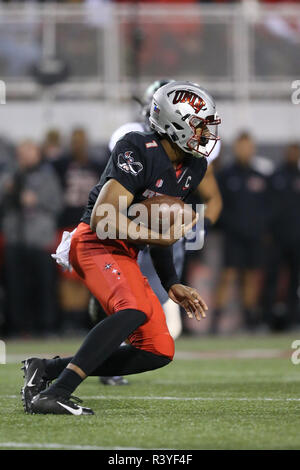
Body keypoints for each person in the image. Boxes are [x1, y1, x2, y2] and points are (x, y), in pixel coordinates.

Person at [21, 81, 221, 415]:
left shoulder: (194, 167)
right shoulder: (138, 146)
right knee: (134, 310)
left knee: (158, 349)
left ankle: (46, 370)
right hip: (93, 242)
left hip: (126, 252)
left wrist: (171, 282)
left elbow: (157, 231)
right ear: (175, 123)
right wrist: (159, 237)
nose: (206, 134)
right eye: (200, 126)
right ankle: (55, 394)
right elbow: (102, 217)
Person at [0, 140, 63, 336]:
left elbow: (57, 203)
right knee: (15, 286)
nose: (25, 156)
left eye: (29, 151)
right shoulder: (9, 175)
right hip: (14, 238)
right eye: (22, 152)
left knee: (44, 285)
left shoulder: (47, 175)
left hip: (40, 239)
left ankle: (46, 326)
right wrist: (8, 190)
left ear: (37, 153)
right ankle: (18, 326)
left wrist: (37, 200)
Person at [210, 132, 270, 333]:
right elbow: (217, 204)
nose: (245, 150)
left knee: (251, 277)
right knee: (228, 275)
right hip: (233, 236)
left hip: (254, 236)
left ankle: (250, 320)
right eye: (241, 146)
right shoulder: (226, 176)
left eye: (248, 146)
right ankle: (215, 322)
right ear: (236, 148)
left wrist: (262, 229)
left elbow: (266, 208)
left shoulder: (260, 176)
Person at [263, 143, 300, 330]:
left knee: (295, 281)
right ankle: (267, 320)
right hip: (277, 238)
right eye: (290, 150)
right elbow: (266, 207)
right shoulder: (275, 176)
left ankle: (294, 319)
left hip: (297, 239)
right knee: (271, 279)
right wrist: (267, 231)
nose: (293, 154)